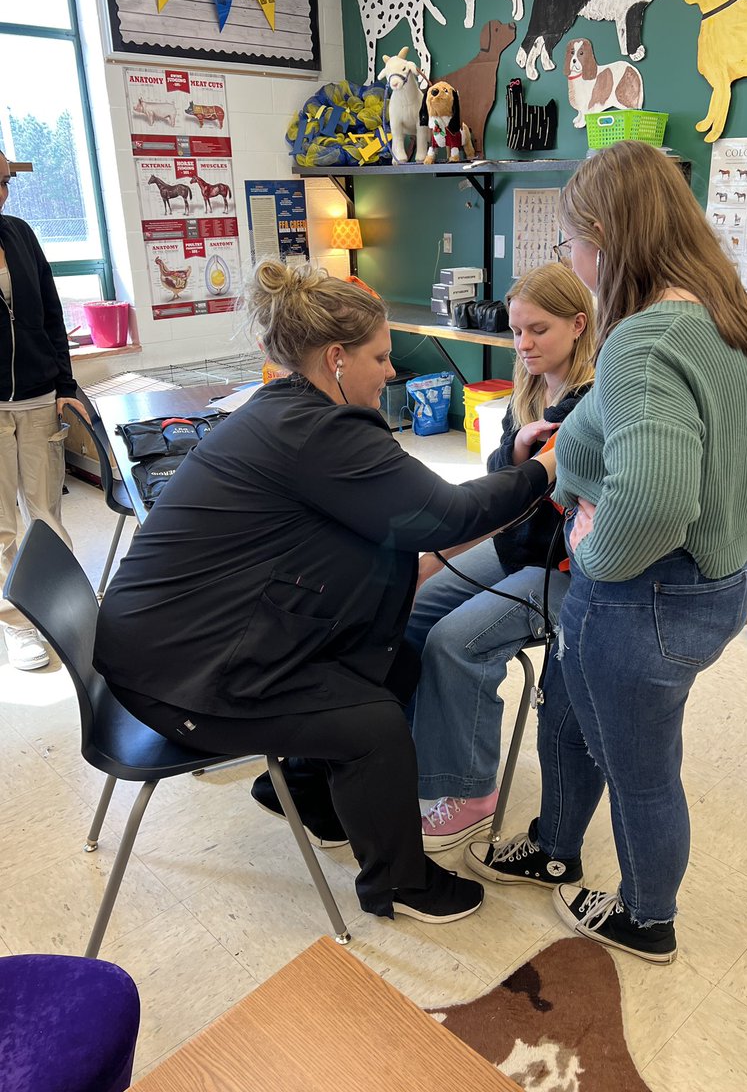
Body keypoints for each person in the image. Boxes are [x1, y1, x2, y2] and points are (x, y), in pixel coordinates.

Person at [93, 261, 556, 925]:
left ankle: (303, 790)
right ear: (336, 358)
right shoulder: (321, 433)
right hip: (179, 678)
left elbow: (396, 517)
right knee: (375, 725)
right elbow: (445, 515)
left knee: (392, 660)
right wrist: (543, 469)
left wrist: (509, 471)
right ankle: (399, 884)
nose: (390, 373)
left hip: (165, 642)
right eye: (381, 358)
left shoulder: (287, 410)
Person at [465, 141, 747, 964]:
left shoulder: (643, 341)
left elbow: (658, 500)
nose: (571, 259)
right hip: (720, 575)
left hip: (645, 593)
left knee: (640, 768)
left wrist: (593, 554)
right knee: (570, 712)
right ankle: (555, 846)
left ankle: (647, 918)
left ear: (604, 237)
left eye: (572, 241)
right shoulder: (733, 317)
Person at [407, 264, 596, 850]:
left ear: (578, 324)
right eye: (516, 331)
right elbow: (500, 486)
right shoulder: (529, 389)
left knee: (452, 642)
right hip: (516, 547)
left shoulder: (595, 403)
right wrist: (515, 451)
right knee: (409, 609)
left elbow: (564, 500)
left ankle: (469, 794)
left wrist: (531, 470)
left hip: (566, 571)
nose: (524, 344)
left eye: (538, 330)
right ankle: (418, 752)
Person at [0, 149, 85, 672]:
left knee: (46, 512)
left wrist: (65, 384)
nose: (2, 194)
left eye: (4, 182)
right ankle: (16, 624)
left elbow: (52, 312)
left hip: (37, 396)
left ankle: (64, 606)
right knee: (1, 524)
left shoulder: (20, 234)